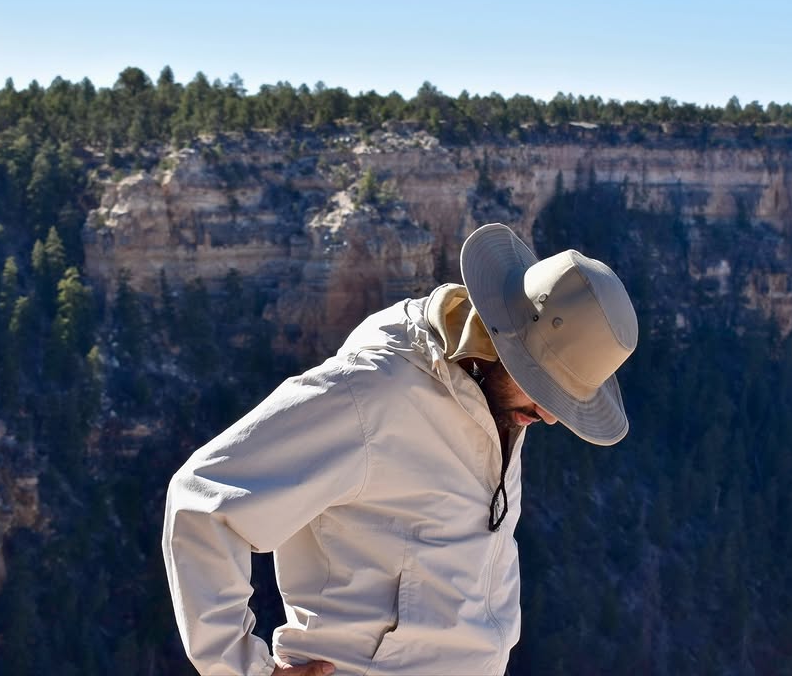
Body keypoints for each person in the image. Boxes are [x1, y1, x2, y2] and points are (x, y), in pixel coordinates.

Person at [162, 223, 639, 676]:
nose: (550, 415)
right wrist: (241, 669)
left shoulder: (497, 394)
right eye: (545, 388)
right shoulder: (374, 393)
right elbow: (203, 500)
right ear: (508, 342)